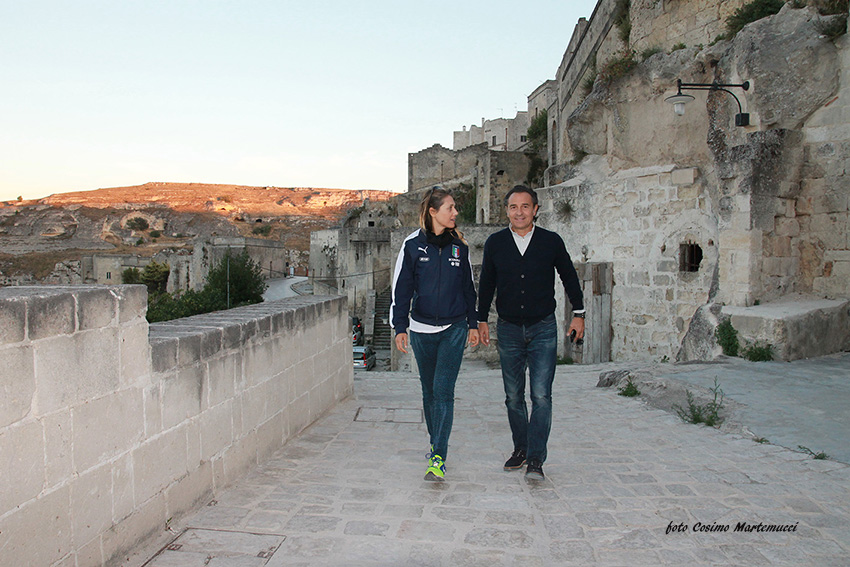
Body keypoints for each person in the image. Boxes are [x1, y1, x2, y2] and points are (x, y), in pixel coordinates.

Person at [477, 185, 585, 480]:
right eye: (513, 207)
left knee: (541, 396)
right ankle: (521, 448)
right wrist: (481, 319)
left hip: (543, 328)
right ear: (507, 211)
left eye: (525, 206)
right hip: (509, 328)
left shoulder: (551, 241)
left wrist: (579, 314)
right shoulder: (496, 243)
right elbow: (486, 283)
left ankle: (536, 458)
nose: (519, 212)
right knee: (513, 396)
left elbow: (569, 277)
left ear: (535, 209)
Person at [390, 186, 480, 482]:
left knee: (443, 391)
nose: (455, 213)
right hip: (421, 330)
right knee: (428, 391)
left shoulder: (460, 247)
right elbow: (401, 289)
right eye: (450, 208)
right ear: (433, 212)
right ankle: (435, 442)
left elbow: (468, 289)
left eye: (455, 208)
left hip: (453, 328)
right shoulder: (412, 245)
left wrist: (473, 324)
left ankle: (438, 455)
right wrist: (399, 326)